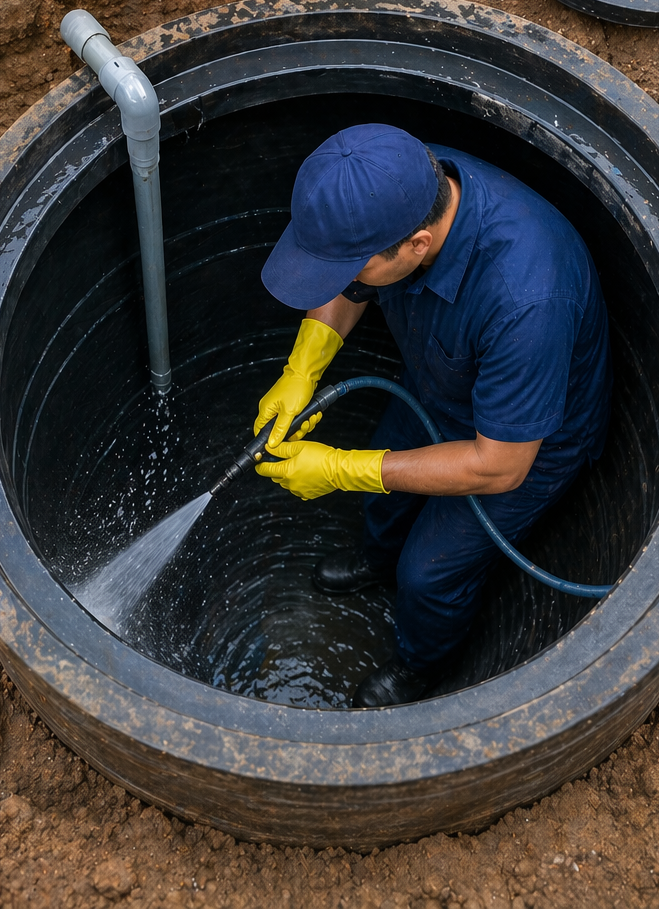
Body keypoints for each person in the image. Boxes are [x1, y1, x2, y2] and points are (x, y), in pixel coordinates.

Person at [252, 123, 610, 707]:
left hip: (524, 441)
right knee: (383, 500)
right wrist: (302, 369)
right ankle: (376, 560)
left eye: (352, 266)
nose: (343, 280)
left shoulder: (527, 301)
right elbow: (349, 282)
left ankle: (421, 666)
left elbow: (499, 467)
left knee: (429, 573)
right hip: (442, 380)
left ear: (418, 245)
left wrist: (342, 468)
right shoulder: (400, 182)